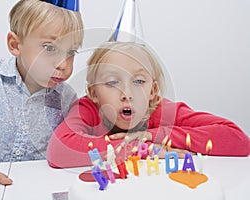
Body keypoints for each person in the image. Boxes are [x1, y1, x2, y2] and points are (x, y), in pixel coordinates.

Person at [0, 0, 83, 199]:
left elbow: (75, 146)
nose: (63, 64)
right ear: (15, 45)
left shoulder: (67, 99)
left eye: (71, 52)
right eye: (50, 48)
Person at [46, 41, 250, 168]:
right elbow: (58, 151)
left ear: (152, 91)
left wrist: (152, 134)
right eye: (112, 82)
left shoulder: (164, 110)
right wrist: (140, 148)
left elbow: (239, 141)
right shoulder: (87, 109)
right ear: (94, 93)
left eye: (138, 81)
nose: (127, 94)